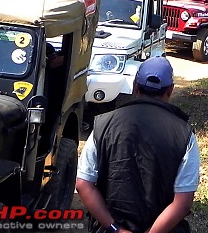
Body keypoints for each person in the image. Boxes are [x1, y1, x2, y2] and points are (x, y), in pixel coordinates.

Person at [76, 56, 200, 233]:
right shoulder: (184, 134)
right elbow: (183, 202)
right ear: (170, 90)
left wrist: (116, 228)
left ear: (135, 86)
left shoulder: (102, 125)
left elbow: (83, 184)